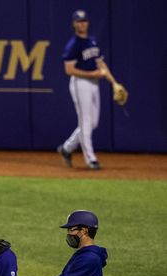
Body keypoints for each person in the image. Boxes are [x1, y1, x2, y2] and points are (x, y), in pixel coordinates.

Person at [57, 10, 121, 171]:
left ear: (88, 23)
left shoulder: (92, 41)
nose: (82, 24)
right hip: (80, 84)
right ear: (74, 24)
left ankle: (66, 148)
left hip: (94, 84)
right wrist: (92, 74)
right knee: (85, 121)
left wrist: (114, 83)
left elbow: (101, 65)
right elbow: (69, 70)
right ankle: (90, 159)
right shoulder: (73, 45)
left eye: (84, 21)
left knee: (93, 123)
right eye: (79, 21)